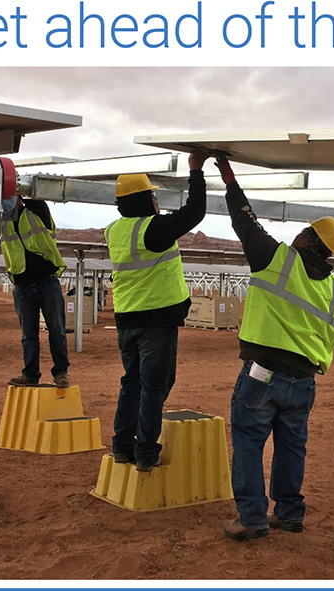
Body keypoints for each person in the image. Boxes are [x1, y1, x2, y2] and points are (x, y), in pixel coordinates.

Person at [215, 156, 334, 540]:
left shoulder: (276, 259)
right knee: (292, 446)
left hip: (261, 374)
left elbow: (244, 221)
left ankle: (252, 519)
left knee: (248, 442)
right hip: (303, 380)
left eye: (304, 231)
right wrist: (313, 341)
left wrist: (227, 175)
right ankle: (290, 513)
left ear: (309, 240)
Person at [106, 150, 211, 473]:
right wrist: (196, 170)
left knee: (132, 383)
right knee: (154, 387)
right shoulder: (151, 230)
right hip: (156, 322)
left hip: (128, 320)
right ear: (142, 199)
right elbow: (195, 212)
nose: (156, 201)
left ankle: (123, 446)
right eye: (152, 195)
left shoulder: (116, 230)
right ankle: (146, 452)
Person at [0, 195, 71, 388]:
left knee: (57, 330)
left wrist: (13, 188)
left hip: (46, 282)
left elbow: (36, 196)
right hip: (22, 286)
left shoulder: (37, 213)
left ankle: (61, 372)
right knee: (28, 334)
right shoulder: (3, 223)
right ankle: (30, 374)